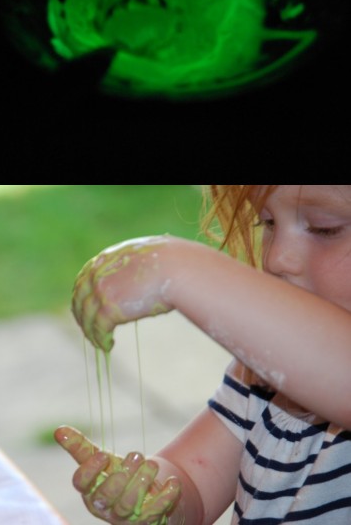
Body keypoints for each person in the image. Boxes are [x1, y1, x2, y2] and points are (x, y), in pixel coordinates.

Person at [55, 185, 351, 524]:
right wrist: (155, 497)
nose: (275, 257)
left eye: (324, 227)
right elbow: (193, 478)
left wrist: (179, 267)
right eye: (267, 224)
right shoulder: (261, 375)